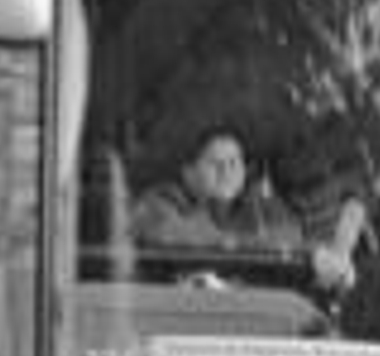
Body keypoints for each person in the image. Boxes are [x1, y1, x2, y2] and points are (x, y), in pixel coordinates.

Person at [128, 127, 362, 309]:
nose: (226, 171)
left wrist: (335, 259)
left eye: (234, 162)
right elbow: (188, 241)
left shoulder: (257, 210)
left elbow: (293, 239)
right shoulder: (159, 203)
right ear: (188, 172)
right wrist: (305, 255)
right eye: (214, 163)